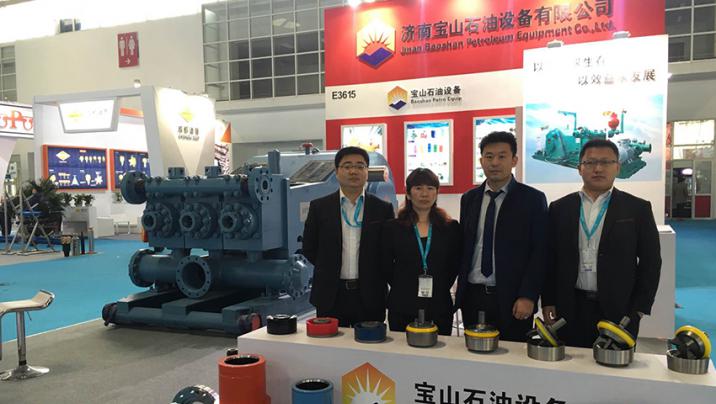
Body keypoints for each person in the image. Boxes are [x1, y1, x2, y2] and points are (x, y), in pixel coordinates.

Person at [542, 139, 661, 348]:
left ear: (617, 167)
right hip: (569, 307)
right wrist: (548, 300)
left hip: (619, 310)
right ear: (579, 168)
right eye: (590, 163)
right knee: (571, 363)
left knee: (614, 366)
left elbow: (651, 262)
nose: (598, 168)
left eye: (606, 162)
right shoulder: (560, 208)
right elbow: (549, 258)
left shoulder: (637, 209)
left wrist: (639, 309)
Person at [455, 131, 548, 342]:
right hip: (473, 296)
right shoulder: (469, 199)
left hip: (513, 298)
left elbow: (540, 252)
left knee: (512, 356)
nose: (495, 162)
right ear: (481, 161)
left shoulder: (532, 199)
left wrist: (528, 295)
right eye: (489, 156)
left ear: (514, 160)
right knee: (472, 355)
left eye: (502, 156)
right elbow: (465, 246)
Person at [302, 146, 395, 327]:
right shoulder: (319, 207)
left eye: (360, 166)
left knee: (370, 343)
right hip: (331, 295)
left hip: (370, 294)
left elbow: (388, 251)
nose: (353, 171)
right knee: (331, 343)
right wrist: (328, 268)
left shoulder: (382, 209)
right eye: (347, 166)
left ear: (367, 172)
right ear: (337, 172)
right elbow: (309, 248)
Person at [380, 168, 461, 335]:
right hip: (403, 303)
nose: (425, 194)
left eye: (430, 188)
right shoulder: (393, 228)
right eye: (418, 188)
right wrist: (404, 285)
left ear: (436, 193)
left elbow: (454, 265)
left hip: (439, 303)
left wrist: (439, 285)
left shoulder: (450, 228)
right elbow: (385, 266)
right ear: (408, 194)